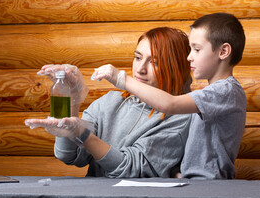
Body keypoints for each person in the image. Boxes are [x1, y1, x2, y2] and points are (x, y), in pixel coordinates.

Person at [93, 12, 246, 179]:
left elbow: (169, 104)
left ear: (223, 51)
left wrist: (120, 79)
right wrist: (176, 173)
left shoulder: (226, 91)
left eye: (196, 49)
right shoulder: (210, 95)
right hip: (196, 184)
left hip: (209, 187)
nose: (189, 57)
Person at [25, 27, 192, 178]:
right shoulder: (110, 102)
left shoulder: (181, 117)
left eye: (154, 62)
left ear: (175, 67)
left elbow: (130, 169)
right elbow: (68, 155)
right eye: (138, 57)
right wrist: (72, 97)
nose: (140, 69)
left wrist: (83, 134)